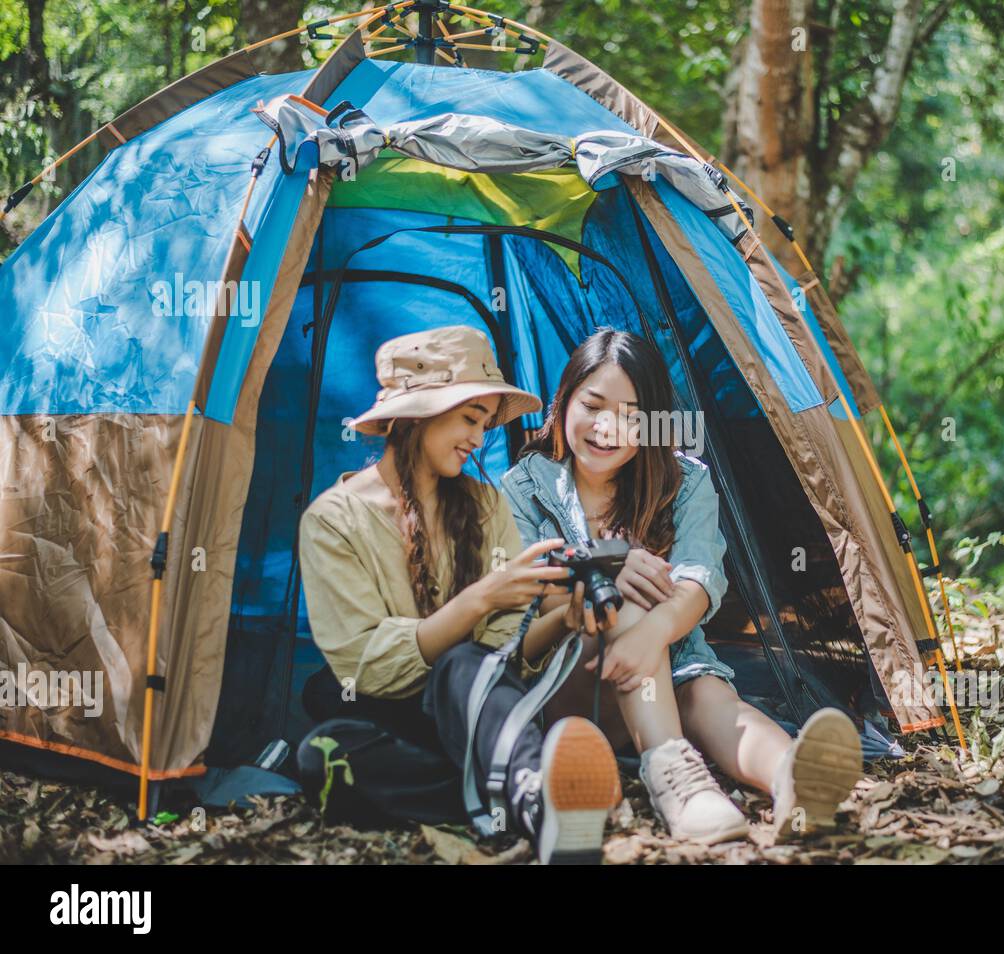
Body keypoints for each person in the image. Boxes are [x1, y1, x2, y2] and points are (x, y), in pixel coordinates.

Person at [502, 328, 864, 845]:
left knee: (709, 693)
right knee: (618, 604)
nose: (608, 428)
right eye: (593, 406)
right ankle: (681, 788)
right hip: (573, 680)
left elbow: (701, 578)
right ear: (564, 404)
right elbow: (522, 593)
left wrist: (653, 633)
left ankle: (793, 780)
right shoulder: (523, 486)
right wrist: (600, 571)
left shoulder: (685, 482)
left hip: (667, 667)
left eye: (630, 415)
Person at [295, 325, 621, 864]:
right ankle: (515, 792)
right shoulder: (333, 521)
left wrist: (564, 618)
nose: (480, 438)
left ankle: (538, 802)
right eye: (470, 418)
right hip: (403, 715)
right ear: (418, 413)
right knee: (323, 753)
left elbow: (504, 661)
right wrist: (479, 599)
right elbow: (364, 668)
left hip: (478, 708)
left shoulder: (486, 507)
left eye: (487, 424)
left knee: (465, 664)